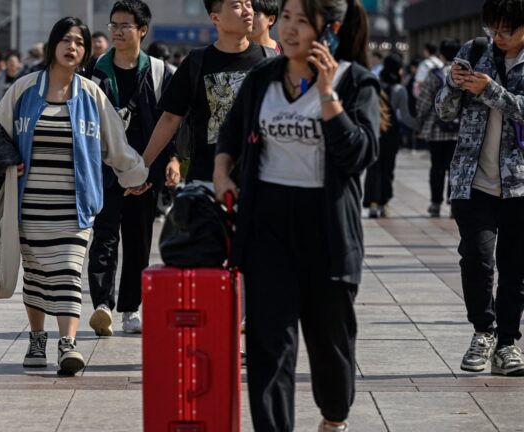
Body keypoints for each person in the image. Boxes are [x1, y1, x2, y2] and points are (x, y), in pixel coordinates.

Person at [213, 0, 378, 430]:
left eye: (302, 21)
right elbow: (230, 130)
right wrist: (221, 169)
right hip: (267, 223)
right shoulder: (263, 78)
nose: (288, 29)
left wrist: (327, 95)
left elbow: (359, 154)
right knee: (270, 345)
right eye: (285, 17)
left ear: (331, 29)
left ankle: (334, 417)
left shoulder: (354, 82)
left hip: (327, 230)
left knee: (330, 344)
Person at [0, 17, 148, 376]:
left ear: (85, 51)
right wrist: (8, 160)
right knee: (36, 276)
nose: (72, 46)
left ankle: (67, 345)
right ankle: (37, 338)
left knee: (68, 273)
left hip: (74, 207)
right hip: (29, 206)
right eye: (65, 39)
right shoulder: (25, 89)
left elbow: (115, 146)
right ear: (52, 45)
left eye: (79, 42)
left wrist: (136, 175)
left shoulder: (92, 95)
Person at [436, 0, 524, 377]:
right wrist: (454, 87)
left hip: (520, 184)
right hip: (471, 181)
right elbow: (443, 111)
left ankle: (507, 343)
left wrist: (490, 90)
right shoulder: (473, 52)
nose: (497, 37)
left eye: (507, 30)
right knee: (476, 257)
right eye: (493, 28)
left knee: (515, 267)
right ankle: (483, 332)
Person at [86, 0, 175, 336]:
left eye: (125, 25)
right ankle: (102, 305)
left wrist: (171, 163)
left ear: (142, 30)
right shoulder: (96, 70)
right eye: (113, 25)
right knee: (104, 238)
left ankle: (130, 309)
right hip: (106, 171)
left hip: (145, 172)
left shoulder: (159, 71)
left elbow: (174, 121)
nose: (117, 32)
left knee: (138, 241)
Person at [135, 0, 265, 190]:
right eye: (237, 5)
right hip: (206, 181)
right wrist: (142, 167)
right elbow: (170, 118)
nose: (248, 11)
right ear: (215, 17)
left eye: (249, 4)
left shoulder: (269, 59)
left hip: (259, 181)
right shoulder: (196, 62)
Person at [363, 52, 420, 218]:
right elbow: (407, 117)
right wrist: (421, 125)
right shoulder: (399, 90)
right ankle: (384, 203)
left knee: (373, 167)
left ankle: (372, 202)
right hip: (391, 132)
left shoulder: (374, 85)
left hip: (373, 129)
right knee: (388, 168)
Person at [416, 38, 462, 218]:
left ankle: (435, 203)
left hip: (436, 129)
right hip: (458, 131)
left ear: (441, 54)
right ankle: (453, 204)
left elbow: (424, 101)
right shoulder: (464, 73)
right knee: (455, 168)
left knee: (436, 167)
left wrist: (420, 121)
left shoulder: (434, 74)